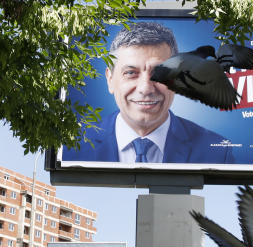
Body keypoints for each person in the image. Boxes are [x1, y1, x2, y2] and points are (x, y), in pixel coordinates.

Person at [62, 21, 231, 164]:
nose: (145, 88)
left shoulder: (217, 152)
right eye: (130, 73)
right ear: (110, 79)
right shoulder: (71, 147)